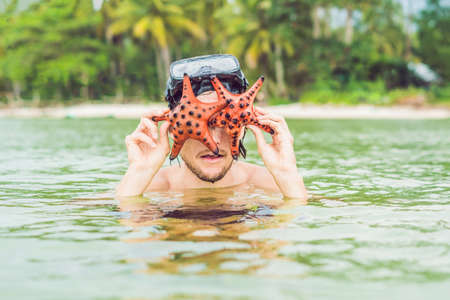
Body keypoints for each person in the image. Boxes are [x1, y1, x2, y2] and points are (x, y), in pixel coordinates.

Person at [116, 54, 307, 201]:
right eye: (197, 126)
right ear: (173, 128)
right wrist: (139, 173)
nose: (213, 142)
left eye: (225, 123)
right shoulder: (144, 187)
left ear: (243, 126)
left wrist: (287, 174)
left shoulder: (274, 185)